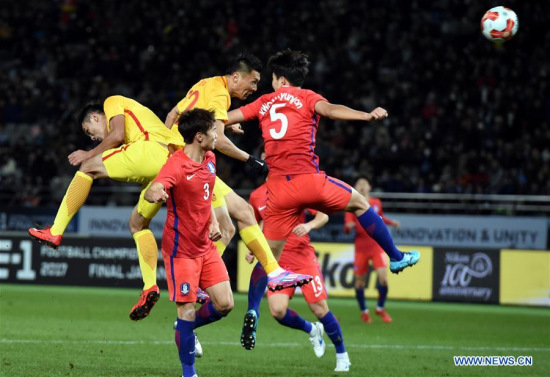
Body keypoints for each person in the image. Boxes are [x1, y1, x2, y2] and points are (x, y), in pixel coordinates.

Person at [226, 49, 419, 274]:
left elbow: (226, 116)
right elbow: (331, 110)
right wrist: (365, 115)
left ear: (281, 79)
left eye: (272, 79)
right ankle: (396, 257)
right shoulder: (307, 97)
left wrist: (228, 124)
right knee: (360, 204)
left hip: (277, 190)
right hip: (308, 181)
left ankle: (253, 309)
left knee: (269, 259)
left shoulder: (264, 102)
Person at [29, 95, 186, 321]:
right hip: (170, 165)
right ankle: (150, 286)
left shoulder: (111, 102)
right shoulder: (140, 120)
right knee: (138, 224)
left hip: (151, 150)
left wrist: (89, 153)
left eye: (88, 130)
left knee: (88, 166)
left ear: (95, 117)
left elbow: (117, 135)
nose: (92, 137)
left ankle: (56, 231)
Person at [166, 52, 311, 291]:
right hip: (189, 166)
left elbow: (174, 114)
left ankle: (202, 283)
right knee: (240, 214)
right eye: (253, 81)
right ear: (235, 77)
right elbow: (219, 141)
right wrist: (251, 159)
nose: (255, 88)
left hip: (186, 161)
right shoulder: (220, 94)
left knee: (229, 227)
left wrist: (166, 146)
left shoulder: (206, 83)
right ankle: (271, 272)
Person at [144, 108, 231, 377]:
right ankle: (189, 373)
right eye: (213, 131)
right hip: (181, 251)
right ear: (199, 137)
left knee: (225, 304)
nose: (217, 134)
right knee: (188, 310)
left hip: (205, 247)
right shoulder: (176, 165)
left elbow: (208, 193)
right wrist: (156, 192)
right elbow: (154, 188)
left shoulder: (211, 159)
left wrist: (214, 222)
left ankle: (186, 329)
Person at [242, 179, 351, 372]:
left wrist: (308, 226)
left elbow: (323, 216)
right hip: (277, 261)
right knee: (277, 311)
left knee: (319, 308)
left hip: (302, 258)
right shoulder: (256, 195)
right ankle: (312, 329)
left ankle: (342, 355)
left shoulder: (295, 187)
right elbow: (257, 224)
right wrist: (254, 247)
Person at [344, 178, 399, 323]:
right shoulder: (351, 203)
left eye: (364, 184)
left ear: (369, 186)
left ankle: (380, 308)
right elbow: (347, 226)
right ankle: (364, 311)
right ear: (355, 187)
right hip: (360, 248)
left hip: (376, 246)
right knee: (360, 283)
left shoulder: (376, 202)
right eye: (359, 184)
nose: (362, 186)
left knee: (384, 279)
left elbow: (380, 218)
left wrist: (390, 222)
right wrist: (349, 226)